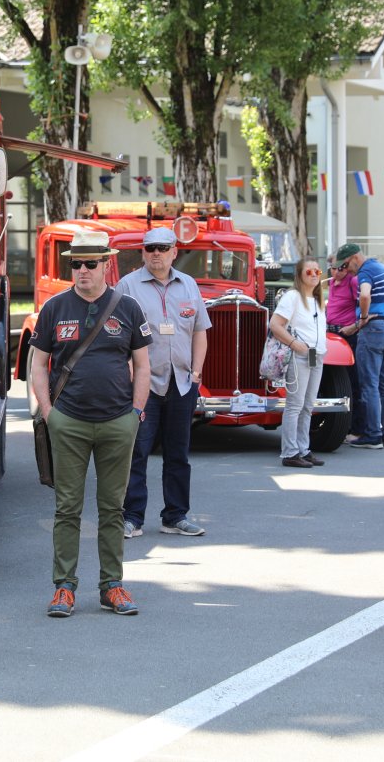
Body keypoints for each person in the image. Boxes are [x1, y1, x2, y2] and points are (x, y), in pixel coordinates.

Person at [28, 229, 152, 618]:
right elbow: (38, 365)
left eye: (90, 263)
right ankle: (64, 588)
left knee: (113, 508)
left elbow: (143, 366)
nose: (82, 270)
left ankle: (111, 586)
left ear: (106, 264)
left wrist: (135, 413)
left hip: (118, 422)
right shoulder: (54, 307)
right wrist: (49, 413)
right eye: (76, 263)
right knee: (67, 508)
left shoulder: (128, 307)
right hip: (69, 422)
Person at [118, 227, 211, 538]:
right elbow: (117, 336)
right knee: (137, 452)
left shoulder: (189, 285)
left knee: (178, 454)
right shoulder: (127, 286)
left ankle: (175, 516)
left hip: (182, 383)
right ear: (143, 252)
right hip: (143, 386)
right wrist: (129, 376)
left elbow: (200, 331)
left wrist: (196, 373)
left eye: (162, 247)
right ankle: (132, 518)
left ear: (174, 251)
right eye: (150, 248)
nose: (156, 253)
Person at [333, 244, 384, 448]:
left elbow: (364, 295)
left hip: (373, 329)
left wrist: (361, 320)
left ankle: (373, 435)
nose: (346, 270)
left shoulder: (366, 272)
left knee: (369, 384)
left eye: (346, 265)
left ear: (355, 258)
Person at [269, 258, 328, 468]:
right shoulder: (292, 296)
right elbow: (275, 324)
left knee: (308, 406)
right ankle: (290, 452)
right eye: (308, 272)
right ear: (300, 275)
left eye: (317, 271)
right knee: (295, 405)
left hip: (316, 356)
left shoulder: (318, 299)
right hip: (300, 356)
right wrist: (294, 344)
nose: (314, 275)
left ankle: (303, 449)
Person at [325, 260, 364, 440]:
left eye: (342, 268)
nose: (338, 272)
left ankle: (356, 427)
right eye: (334, 268)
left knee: (351, 380)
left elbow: (362, 302)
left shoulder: (352, 281)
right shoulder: (331, 283)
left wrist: (356, 325)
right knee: (334, 379)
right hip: (331, 332)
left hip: (347, 333)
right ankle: (341, 423)